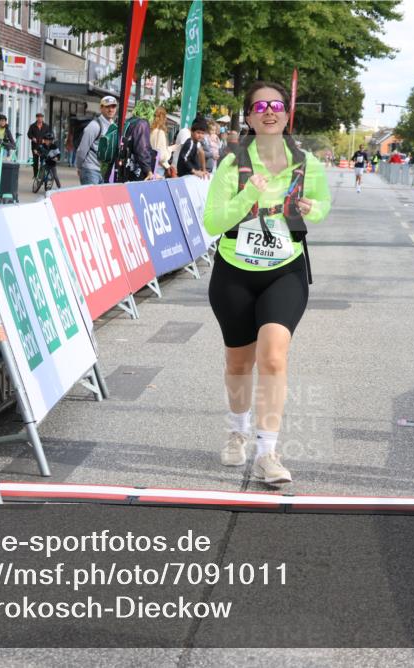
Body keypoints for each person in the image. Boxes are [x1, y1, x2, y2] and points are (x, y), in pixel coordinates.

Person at [203, 81, 332, 485]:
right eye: (260, 107)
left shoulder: (307, 162)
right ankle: (237, 430)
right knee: (239, 363)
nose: (269, 111)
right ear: (249, 117)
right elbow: (212, 222)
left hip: (285, 270)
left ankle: (267, 451)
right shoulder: (231, 163)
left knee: (273, 356)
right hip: (234, 272)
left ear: (286, 113)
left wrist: (314, 208)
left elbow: (323, 207)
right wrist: (247, 198)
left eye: (276, 105)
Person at [110, 99, 156, 183]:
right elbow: (142, 149)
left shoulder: (130, 121)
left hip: (122, 169)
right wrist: (148, 170)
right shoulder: (142, 124)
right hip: (134, 172)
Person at [75, 95, 117, 185]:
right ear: (101, 108)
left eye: (113, 106)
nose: (111, 110)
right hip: (90, 170)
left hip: (105, 172)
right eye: (107, 107)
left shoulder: (114, 127)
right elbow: (82, 149)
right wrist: (79, 166)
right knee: (91, 199)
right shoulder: (94, 126)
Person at [27, 112, 52, 178]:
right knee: (35, 161)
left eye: (41, 117)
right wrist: (32, 138)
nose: (40, 119)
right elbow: (29, 134)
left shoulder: (46, 126)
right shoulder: (32, 126)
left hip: (43, 147)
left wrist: (46, 139)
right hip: (35, 146)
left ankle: (40, 175)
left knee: (42, 161)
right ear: (36, 118)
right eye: (38, 117)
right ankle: (35, 175)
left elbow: (49, 134)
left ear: (42, 118)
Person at [150, 105, 173, 177]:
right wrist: (169, 150)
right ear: (163, 118)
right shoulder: (161, 133)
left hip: (150, 166)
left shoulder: (150, 130)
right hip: (158, 167)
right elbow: (162, 156)